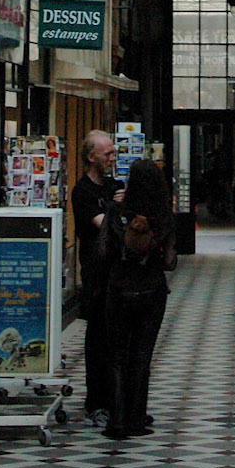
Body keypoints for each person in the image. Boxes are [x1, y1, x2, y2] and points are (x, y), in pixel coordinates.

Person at [101, 158, 176, 439]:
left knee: (117, 356)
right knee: (142, 357)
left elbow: (103, 252)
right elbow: (170, 261)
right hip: (151, 290)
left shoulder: (116, 209)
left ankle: (116, 420)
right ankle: (136, 418)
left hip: (119, 289)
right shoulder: (163, 216)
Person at [70, 129, 124, 429]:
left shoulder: (115, 185)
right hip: (96, 275)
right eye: (108, 154)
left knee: (116, 339)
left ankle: (116, 399)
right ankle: (95, 403)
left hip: (117, 273)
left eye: (114, 153)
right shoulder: (83, 192)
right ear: (92, 157)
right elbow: (103, 223)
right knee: (97, 341)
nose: (112, 159)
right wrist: (118, 208)